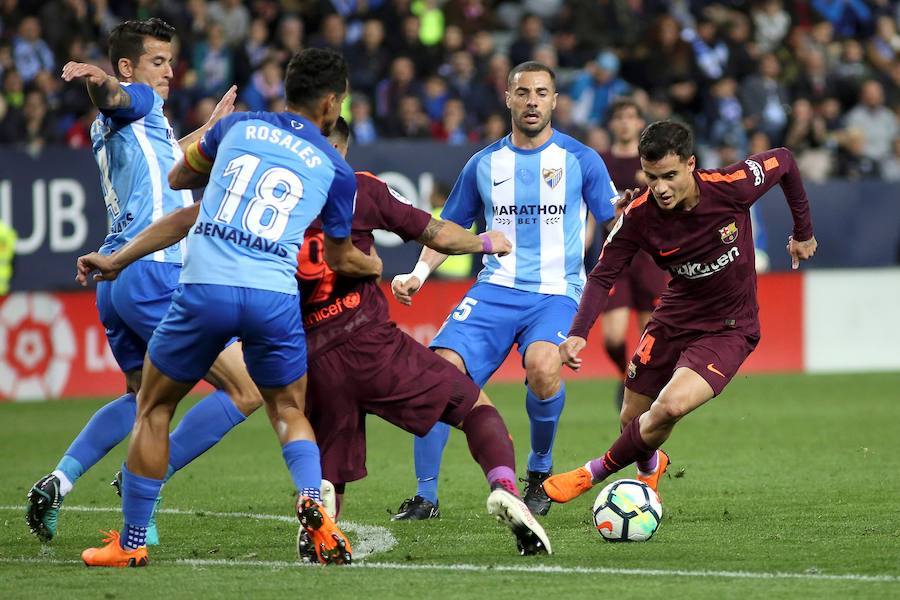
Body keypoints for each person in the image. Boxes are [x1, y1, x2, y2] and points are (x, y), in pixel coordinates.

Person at [79, 47, 364, 567]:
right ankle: (309, 500)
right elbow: (343, 255)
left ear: (284, 87)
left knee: (154, 407)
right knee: (288, 408)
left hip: (204, 288)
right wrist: (373, 268)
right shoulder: (336, 169)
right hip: (273, 297)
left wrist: (119, 258)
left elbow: (178, 185)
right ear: (331, 103)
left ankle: (132, 542)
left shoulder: (239, 129)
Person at [25, 19, 260, 547]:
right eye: (158, 62)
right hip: (155, 271)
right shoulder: (134, 99)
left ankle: (57, 481)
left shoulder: (131, 129)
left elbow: (168, 159)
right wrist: (96, 77)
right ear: (129, 66)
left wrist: (208, 130)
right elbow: (115, 94)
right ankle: (142, 484)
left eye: (171, 62)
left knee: (140, 398)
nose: (169, 72)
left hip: (117, 278)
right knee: (245, 389)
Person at [298, 117, 552, 556]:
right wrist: (487, 243)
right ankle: (506, 488)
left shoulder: (272, 198)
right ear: (340, 149)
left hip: (313, 356)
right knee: (474, 407)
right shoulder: (360, 187)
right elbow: (436, 232)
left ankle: (322, 521)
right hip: (371, 344)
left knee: (330, 463)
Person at [542, 120, 817, 506]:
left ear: (691, 164)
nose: (661, 188)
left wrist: (803, 232)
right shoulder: (638, 217)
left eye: (670, 175)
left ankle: (591, 473)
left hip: (729, 328)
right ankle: (647, 473)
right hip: (673, 318)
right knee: (632, 422)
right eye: (652, 177)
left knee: (668, 407)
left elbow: (785, 161)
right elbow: (603, 275)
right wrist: (578, 332)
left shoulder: (731, 186)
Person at [390, 61, 618, 519]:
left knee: (542, 367)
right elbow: (448, 229)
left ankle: (538, 472)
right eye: (523, 93)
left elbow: (616, 224)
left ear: (555, 100)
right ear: (508, 99)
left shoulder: (581, 160)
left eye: (541, 93)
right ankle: (426, 495)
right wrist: (418, 274)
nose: (532, 101)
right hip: (495, 289)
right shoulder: (484, 163)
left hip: (557, 292)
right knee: (441, 370)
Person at [598, 98, 669, 410]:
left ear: (641, 123)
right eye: (619, 117)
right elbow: (591, 208)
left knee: (648, 335)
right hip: (615, 257)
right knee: (612, 337)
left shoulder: (652, 163)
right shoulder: (600, 162)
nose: (625, 122)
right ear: (611, 124)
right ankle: (625, 374)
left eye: (631, 117)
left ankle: (639, 385)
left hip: (651, 256)